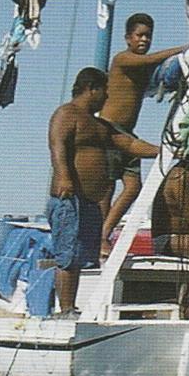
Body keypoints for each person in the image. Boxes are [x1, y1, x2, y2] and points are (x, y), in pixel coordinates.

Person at [48, 68, 158, 315]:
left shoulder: (100, 125)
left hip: (88, 203)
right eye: (103, 91)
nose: (106, 97)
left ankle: (69, 306)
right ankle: (65, 309)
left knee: (77, 258)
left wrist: (164, 151)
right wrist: (64, 175)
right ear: (91, 89)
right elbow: (58, 144)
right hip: (69, 199)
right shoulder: (67, 114)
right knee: (67, 256)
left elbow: (129, 143)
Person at [100, 13, 189, 240]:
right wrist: (183, 50)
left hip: (127, 134)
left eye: (148, 36)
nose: (144, 40)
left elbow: (157, 71)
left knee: (133, 187)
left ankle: (105, 232)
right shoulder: (122, 59)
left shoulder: (142, 69)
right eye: (139, 35)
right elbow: (151, 60)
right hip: (109, 129)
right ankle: (99, 238)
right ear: (128, 38)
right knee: (106, 189)